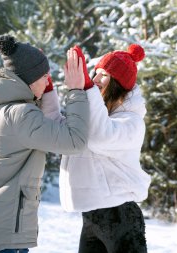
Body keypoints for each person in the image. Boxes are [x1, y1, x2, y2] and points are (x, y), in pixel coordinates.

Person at [0, 35, 89, 253]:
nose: (49, 80)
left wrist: (44, 91)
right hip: (3, 237)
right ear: (29, 79)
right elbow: (75, 140)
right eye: (44, 75)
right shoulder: (20, 115)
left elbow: (37, 118)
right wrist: (76, 91)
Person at [56, 44, 151, 253]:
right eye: (95, 74)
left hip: (122, 216)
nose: (97, 79)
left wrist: (87, 88)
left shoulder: (132, 121)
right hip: (91, 216)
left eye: (104, 75)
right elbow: (64, 132)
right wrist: (47, 92)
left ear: (118, 83)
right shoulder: (98, 114)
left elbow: (101, 136)